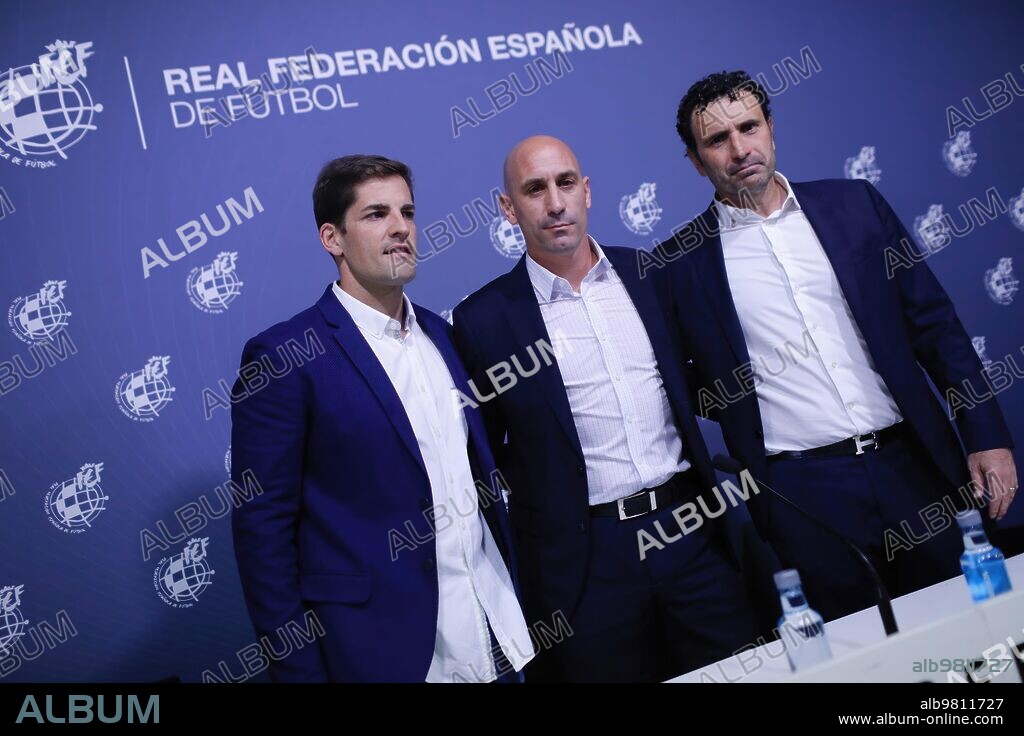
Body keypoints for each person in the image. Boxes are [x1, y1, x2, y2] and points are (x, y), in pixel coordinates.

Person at [657, 71, 1018, 621]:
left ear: (771, 129)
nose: (739, 149)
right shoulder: (678, 263)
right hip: (803, 495)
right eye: (716, 140)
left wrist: (985, 436)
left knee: (974, 635)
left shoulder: (854, 206)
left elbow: (935, 327)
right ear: (695, 160)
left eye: (748, 127)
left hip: (913, 464)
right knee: (861, 664)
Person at [452, 135, 757, 682]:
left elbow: (707, 380)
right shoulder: (484, 319)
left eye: (566, 183)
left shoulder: (648, 273)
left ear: (587, 191)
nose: (555, 203)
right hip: (584, 564)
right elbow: (483, 455)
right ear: (507, 208)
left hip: (692, 531)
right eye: (534, 189)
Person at [231, 155, 534, 682]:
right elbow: (263, 536)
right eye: (375, 214)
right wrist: (300, 673)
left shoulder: (446, 336)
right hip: (382, 654)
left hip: (494, 628)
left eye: (407, 212)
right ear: (333, 238)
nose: (400, 228)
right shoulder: (285, 357)